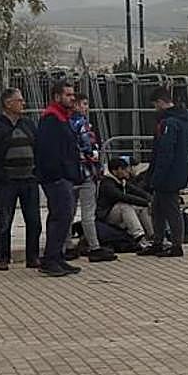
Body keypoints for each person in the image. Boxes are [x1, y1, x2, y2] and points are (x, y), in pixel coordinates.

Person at [0, 87, 42, 270]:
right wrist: (0, 174)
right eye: (19, 100)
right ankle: (3, 257)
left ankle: (33, 256)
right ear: (8, 104)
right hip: (8, 180)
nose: (23, 104)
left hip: (29, 179)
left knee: (33, 220)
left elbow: (37, 146)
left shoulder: (28, 124)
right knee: (5, 220)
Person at [34, 81, 85, 277]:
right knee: (61, 215)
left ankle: (57, 257)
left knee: (64, 216)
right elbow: (49, 151)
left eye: (73, 95)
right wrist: (58, 174)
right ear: (57, 97)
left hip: (64, 176)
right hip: (56, 177)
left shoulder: (63, 117)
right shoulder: (51, 118)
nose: (72, 98)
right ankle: (50, 258)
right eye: (68, 95)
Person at [143, 86, 188, 257]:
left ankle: (176, 245)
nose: (155, 109)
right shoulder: (183, 120)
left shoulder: (169, 123)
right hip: (177, 171)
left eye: (155, 105)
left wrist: (156, 177)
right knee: (157, 208)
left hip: (169, 175)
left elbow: (165, 153)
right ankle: (158, 241)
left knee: (171, 209)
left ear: (161, 102)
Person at [68, 95, 116, 262]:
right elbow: (90, 149)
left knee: (68, 212)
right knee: (88, 212)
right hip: (86, 173)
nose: (86, 107)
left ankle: (66, 245)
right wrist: (97, 164)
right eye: (84, 104)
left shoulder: (64, 122)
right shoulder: (82, 124)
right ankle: (94, 246)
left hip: (70, 174)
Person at [95, 157, 156, 252]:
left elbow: (138, 191)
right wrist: (146, 202)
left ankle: (152, 236)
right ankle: (139, 238)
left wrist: (151, 200)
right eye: (123, 169)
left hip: (117, 214)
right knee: (124, 206)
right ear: (115, 171)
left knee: (142, 208)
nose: (127, 171)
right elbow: (123, 197)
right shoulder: (107, 183)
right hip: (106, 217)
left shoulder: (122, 181)